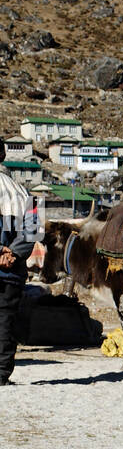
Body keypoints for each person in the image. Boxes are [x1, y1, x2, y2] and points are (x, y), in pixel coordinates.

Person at [0, 146, 40, 384]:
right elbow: (34, 231)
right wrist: (12, 254)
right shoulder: (25, 193)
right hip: (11, 273)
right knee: (5, 322)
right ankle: (2, 374)